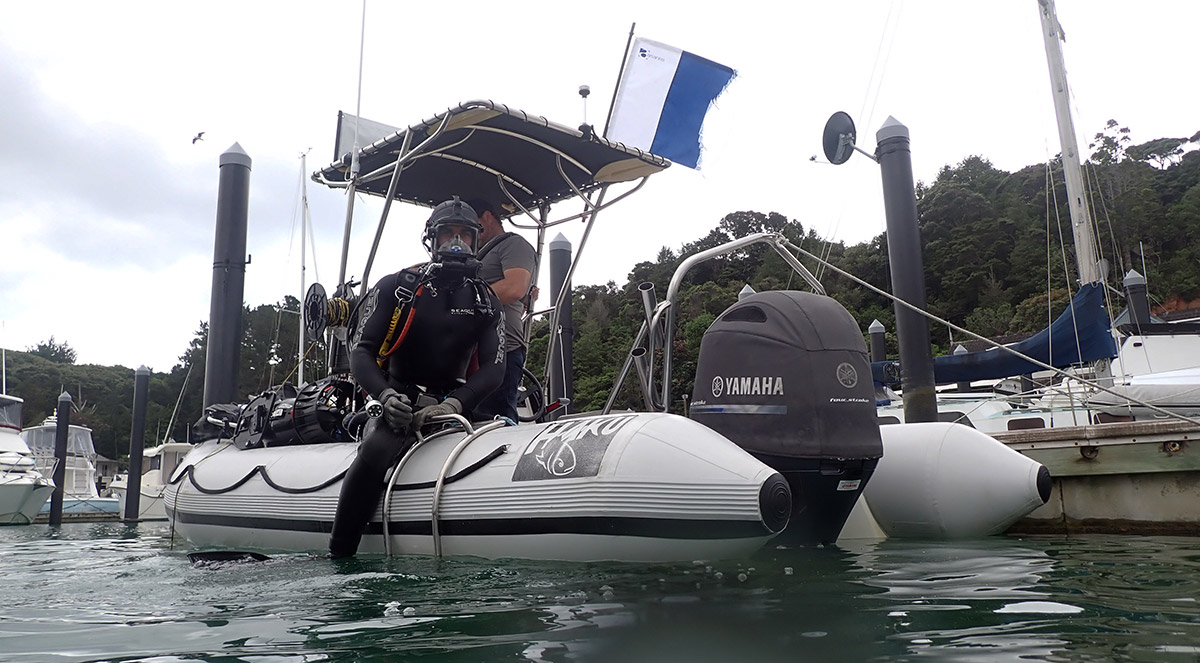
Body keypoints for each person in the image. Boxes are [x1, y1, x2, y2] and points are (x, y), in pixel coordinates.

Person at [329, 197, 505, 558]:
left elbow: (495, 368)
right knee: (377, 448)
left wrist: (456, 403)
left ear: (475, 241)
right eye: (447, 234)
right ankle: (340, 553)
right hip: (399, 402)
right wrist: (386, 398)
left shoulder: (485, 299)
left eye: (464, 236)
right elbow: (362, 351)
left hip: (456, 403)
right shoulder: (399, 287)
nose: (455, 243)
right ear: (432, 239)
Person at [466, 198, 537, 422]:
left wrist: (462, 302)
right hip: (465, 353)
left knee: (496, 419)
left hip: (500, 349)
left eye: (473, 225)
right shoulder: (469, 256)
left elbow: (515, 288)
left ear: (488, 216)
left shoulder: (513, 244)